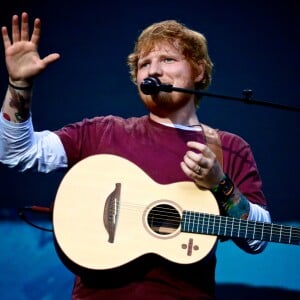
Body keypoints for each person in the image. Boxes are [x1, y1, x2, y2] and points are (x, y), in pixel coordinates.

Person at [0, 12, 271, 300]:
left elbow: (258, 240)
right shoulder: (103, 132)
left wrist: (221, 183)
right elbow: (16, 152)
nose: (152, 70)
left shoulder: (228, 147)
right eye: (144, 64)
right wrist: (20, 85)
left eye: (167, 59)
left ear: (199, 71)